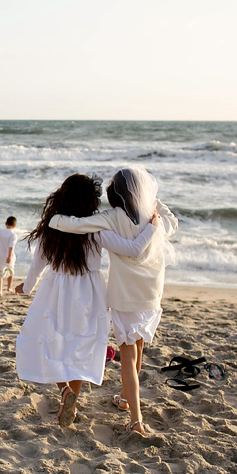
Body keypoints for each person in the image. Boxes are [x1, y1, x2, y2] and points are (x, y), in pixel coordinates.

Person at [14, 174, 161, 430]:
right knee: (79, 349)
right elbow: (133, 249)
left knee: (47, 345)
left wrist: (26, 288)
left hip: (56, 291)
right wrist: (152, 227)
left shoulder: (52, 229)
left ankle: (65, 392)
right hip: (89, 294)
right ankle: (72, 399)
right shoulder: (96, 231)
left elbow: (37, 266)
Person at [48, 166, 178, 435]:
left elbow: (78, 225)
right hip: (152, 296)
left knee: (128, 358)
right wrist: (154, 204)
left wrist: (54, 220)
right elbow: (172, 221)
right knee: (139, 350)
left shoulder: (111, 219)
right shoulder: (154, 219)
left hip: (125, 297)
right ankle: (123, 398)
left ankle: (136, 419)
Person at [0, 216, 17, 296]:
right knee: (11, 271)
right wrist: (9, 256)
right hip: (9, 256)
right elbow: (11, 246)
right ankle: (9, 287)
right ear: (15, 225)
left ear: (5, 223)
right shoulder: (13, 234)